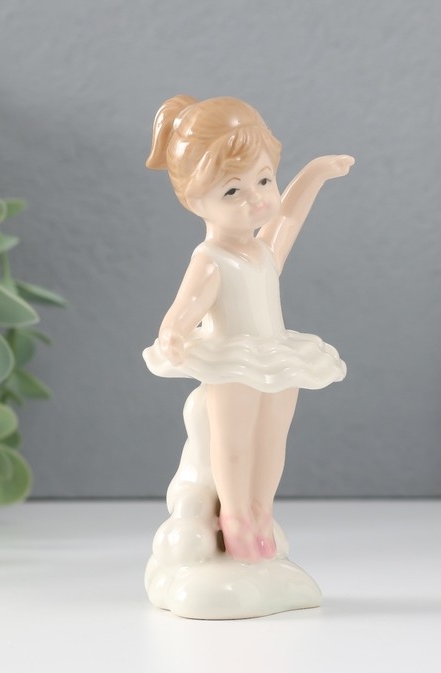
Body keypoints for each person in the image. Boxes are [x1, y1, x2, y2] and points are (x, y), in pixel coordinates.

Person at [144, 95, 352, 563]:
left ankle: (261, 511)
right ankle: (235, 517)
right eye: (232, 192)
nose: (257, 198)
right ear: (195, 200)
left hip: (276, 356)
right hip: (232, 362)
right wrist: (173, 332)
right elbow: (185, 307)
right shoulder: (210, 258)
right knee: (233, 446)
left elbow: (289, 217)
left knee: (271, 443)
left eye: (264, 180)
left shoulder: (261, 251)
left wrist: (316, 173)